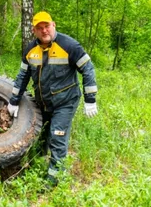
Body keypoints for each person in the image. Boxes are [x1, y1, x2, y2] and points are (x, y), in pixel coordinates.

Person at [7, 11, 98, 188]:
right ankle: (36, 165)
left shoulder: (69, 46)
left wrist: (90, 99)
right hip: (43, 102)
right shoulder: (30, 50)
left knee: (57, 136)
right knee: (40, 135)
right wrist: (13, 100)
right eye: (39, 28)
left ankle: (54, 179)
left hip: (66, 102)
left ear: (53, 25)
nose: (44, 31)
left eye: (47, 26)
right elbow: (22, 76)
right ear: (33, 30)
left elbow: (88, 69)